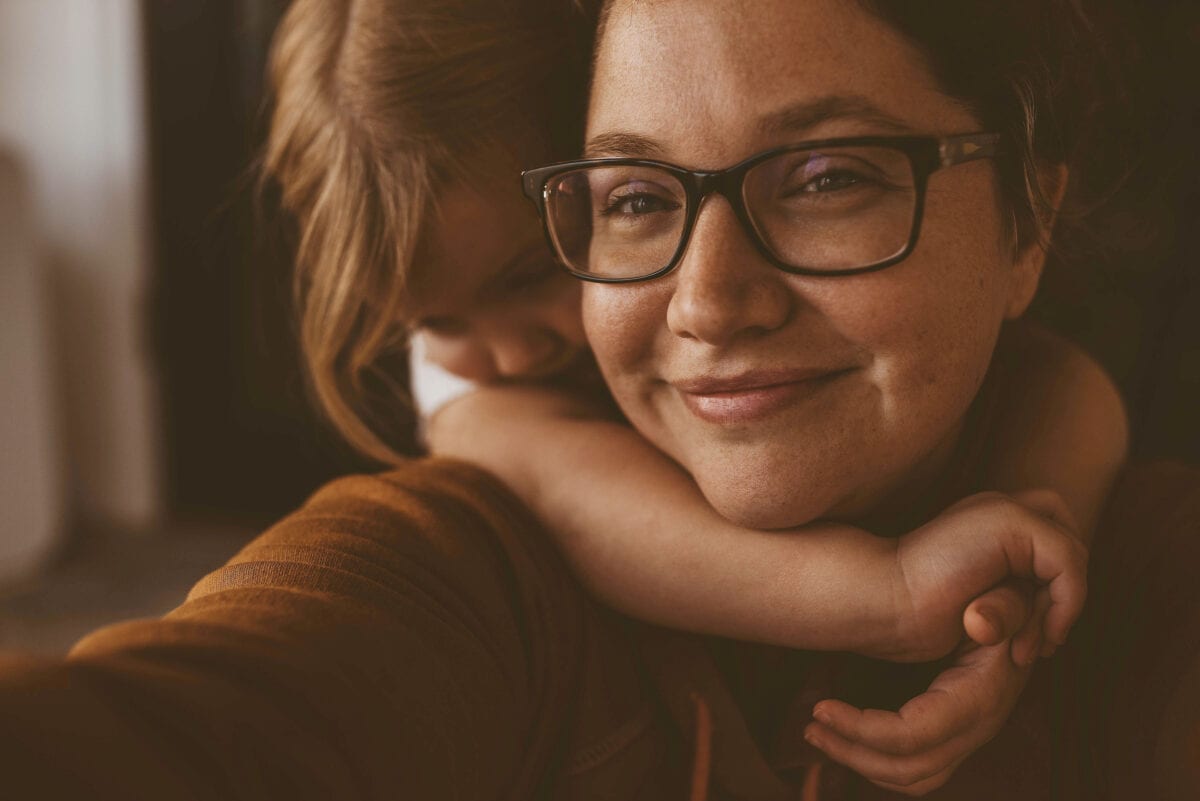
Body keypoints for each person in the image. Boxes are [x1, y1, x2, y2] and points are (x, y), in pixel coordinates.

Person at [0, 2, 1194, 801]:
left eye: (828, 177)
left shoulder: (1144, 563)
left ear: (1030, 223)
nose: (709, 302)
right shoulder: (482, 512)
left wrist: (1041, 534)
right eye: (635, 198)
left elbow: (1062, 383)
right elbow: (200, 721)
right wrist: (883, 597)